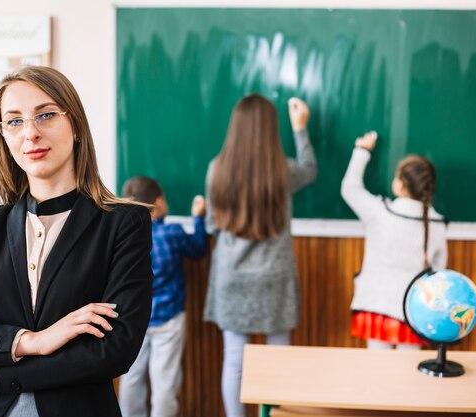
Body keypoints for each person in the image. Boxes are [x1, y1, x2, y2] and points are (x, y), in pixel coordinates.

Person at [0, 66, 153, 417]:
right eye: (14, 121)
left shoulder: (123, 224)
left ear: (75, 126)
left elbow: (116, 349)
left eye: (45, 115)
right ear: (4, 137)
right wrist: (32, 342)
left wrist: (0, 366)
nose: (30, 132)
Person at [203, 94, 317, 417]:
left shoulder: (217, 169)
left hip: (231, 277)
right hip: (274, 276)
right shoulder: (282, 170)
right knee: (278, 357)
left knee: (235, 360)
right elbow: (310, 169)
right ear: (270, 130)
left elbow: (212, 223)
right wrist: (300, 128)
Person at [341, 131, 448, 350]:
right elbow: (439, 270)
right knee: (407, 375)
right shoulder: (437, 224)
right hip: (414, 313)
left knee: (377, 373)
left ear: (399, 185)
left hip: (376, 307)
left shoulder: (379, 212)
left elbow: (350, 189)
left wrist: (362, 151)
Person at [118, 176, 208, 417]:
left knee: (131, 378)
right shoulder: (172, 233)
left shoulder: (122, 238)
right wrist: (199, 217)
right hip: (169, 319)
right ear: (158, 202)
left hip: (133, 320)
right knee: (165, 380)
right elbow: (199, 249)